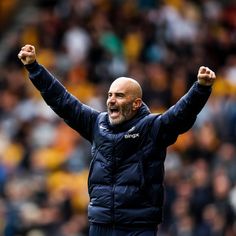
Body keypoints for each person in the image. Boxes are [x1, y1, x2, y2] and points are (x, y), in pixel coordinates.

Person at [18, 44, 216, 236]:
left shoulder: (152, 127)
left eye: (119, 96)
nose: (111, 100)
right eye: (110, 95)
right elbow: (62, 101)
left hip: (138, 225)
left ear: (136, 103)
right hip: (100, 222)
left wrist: (201, 89)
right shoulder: (96, 123)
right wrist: (34, 68)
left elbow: (181, 115)